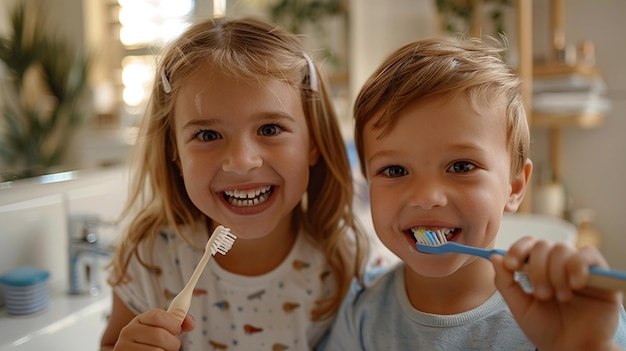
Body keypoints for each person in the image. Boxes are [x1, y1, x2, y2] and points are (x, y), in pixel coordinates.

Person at [319, 36, 626, 350]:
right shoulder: (360, 317)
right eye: (395, 171)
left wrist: (587, 345)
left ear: (515, 186)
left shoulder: (568, 310)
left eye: (461, 166)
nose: (426, 197)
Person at [100, 16, 370, 351]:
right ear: (175, 153)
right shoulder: (150, 258)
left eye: (270, 129)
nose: (242, 161)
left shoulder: (346, 259)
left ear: (313, 142)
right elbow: (112, 343)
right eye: (208, 135)